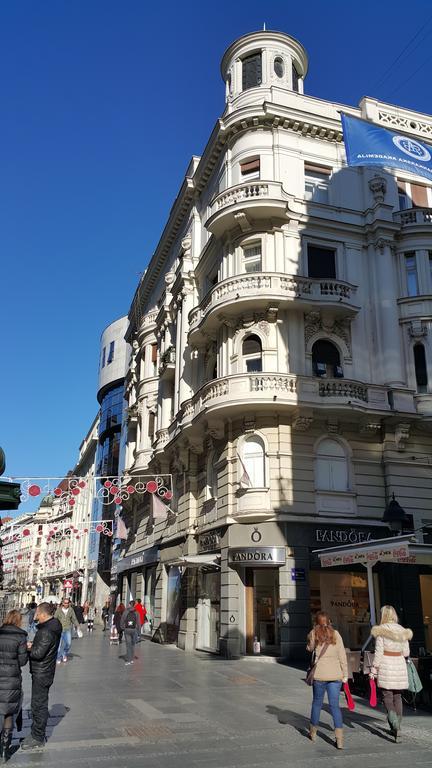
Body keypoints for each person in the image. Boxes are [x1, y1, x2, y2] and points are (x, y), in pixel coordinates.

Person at [21, 602, 62, 750]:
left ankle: (37, 737)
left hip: (42, 672)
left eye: (37, 612)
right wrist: (35, 645)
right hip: (45, 670)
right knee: (39, 704)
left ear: (43, 615)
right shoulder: (51, 627)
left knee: (38, 705)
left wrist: (27, 647)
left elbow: (38, 654)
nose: (35, 615)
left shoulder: (46, 632)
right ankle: (35, 733)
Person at [370, 605, 412, 742]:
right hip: (399, 664)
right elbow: (406, 653)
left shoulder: (381, 631)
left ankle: (394, 724)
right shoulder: (402, 631)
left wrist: (373, 669)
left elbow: (379, 653)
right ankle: (397, 725)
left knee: (387, 696)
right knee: (397, 696)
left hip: (386, 664)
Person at [306, 611, 348, 750]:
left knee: (317, 703)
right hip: (336, 676)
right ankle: (339, 739)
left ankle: (313, 733)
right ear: (329, 621)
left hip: (319, 675)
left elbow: (309, 649)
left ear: (317, 622)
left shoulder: (314, 633)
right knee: (335, 706)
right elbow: (342, 655)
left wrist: (310, 640)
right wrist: (345, 674)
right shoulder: (336, 634)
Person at [0, 610, 28, 761]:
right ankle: (5, 750)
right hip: (11, 679)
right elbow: (23, 661)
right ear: (19, 621)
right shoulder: (21, 636)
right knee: (9, 713)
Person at [54, 597, 80, 663]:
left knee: (68, 643)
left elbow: (74, 619)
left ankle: (64, 653)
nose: (66, 604)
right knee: (59, 645)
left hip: (68, 629)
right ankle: (58, 658)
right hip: (59, 630)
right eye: (65, 603)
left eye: (67, 603)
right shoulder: (59, 610)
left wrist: (77, 625)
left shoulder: (71, 610)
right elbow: (55, 619)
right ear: (62, 603)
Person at [120, 601, 141, 665]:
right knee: (132, 645)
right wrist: (139, 633)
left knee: (128, 645)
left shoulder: (125, 612)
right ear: (134, 605)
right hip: (134, 630)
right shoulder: (137, 613)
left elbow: (122, 620)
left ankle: (128, 660)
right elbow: (138, 623)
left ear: (129, 605)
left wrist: (123, 628)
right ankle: (131, 659)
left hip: (127, 630)